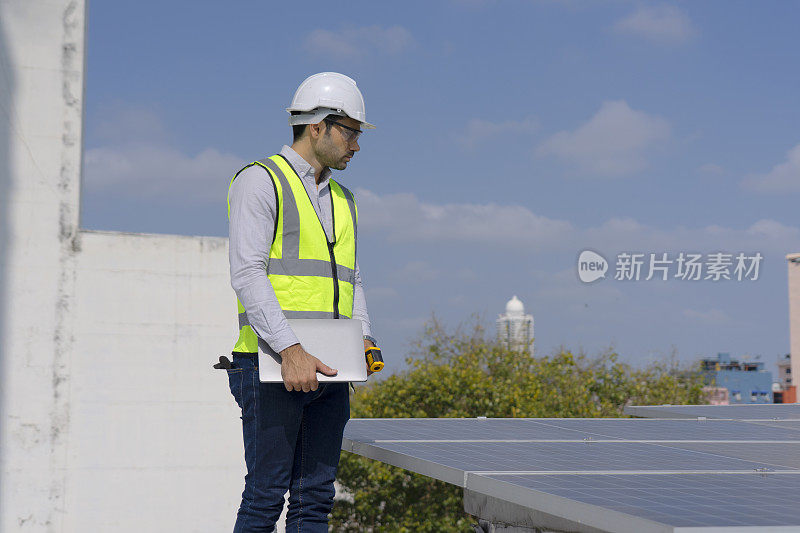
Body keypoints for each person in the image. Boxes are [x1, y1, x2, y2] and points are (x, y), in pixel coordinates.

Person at [225, 72, 378, 532]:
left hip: (330, 368)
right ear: (318, 126)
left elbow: (352, 279)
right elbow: (247, 274)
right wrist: (290, 351)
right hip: (272, 364)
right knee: (266, 496)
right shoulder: (261, 181)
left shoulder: (344, 199)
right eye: (350, 131)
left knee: (315, 500)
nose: (356, 145)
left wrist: (364, 338)